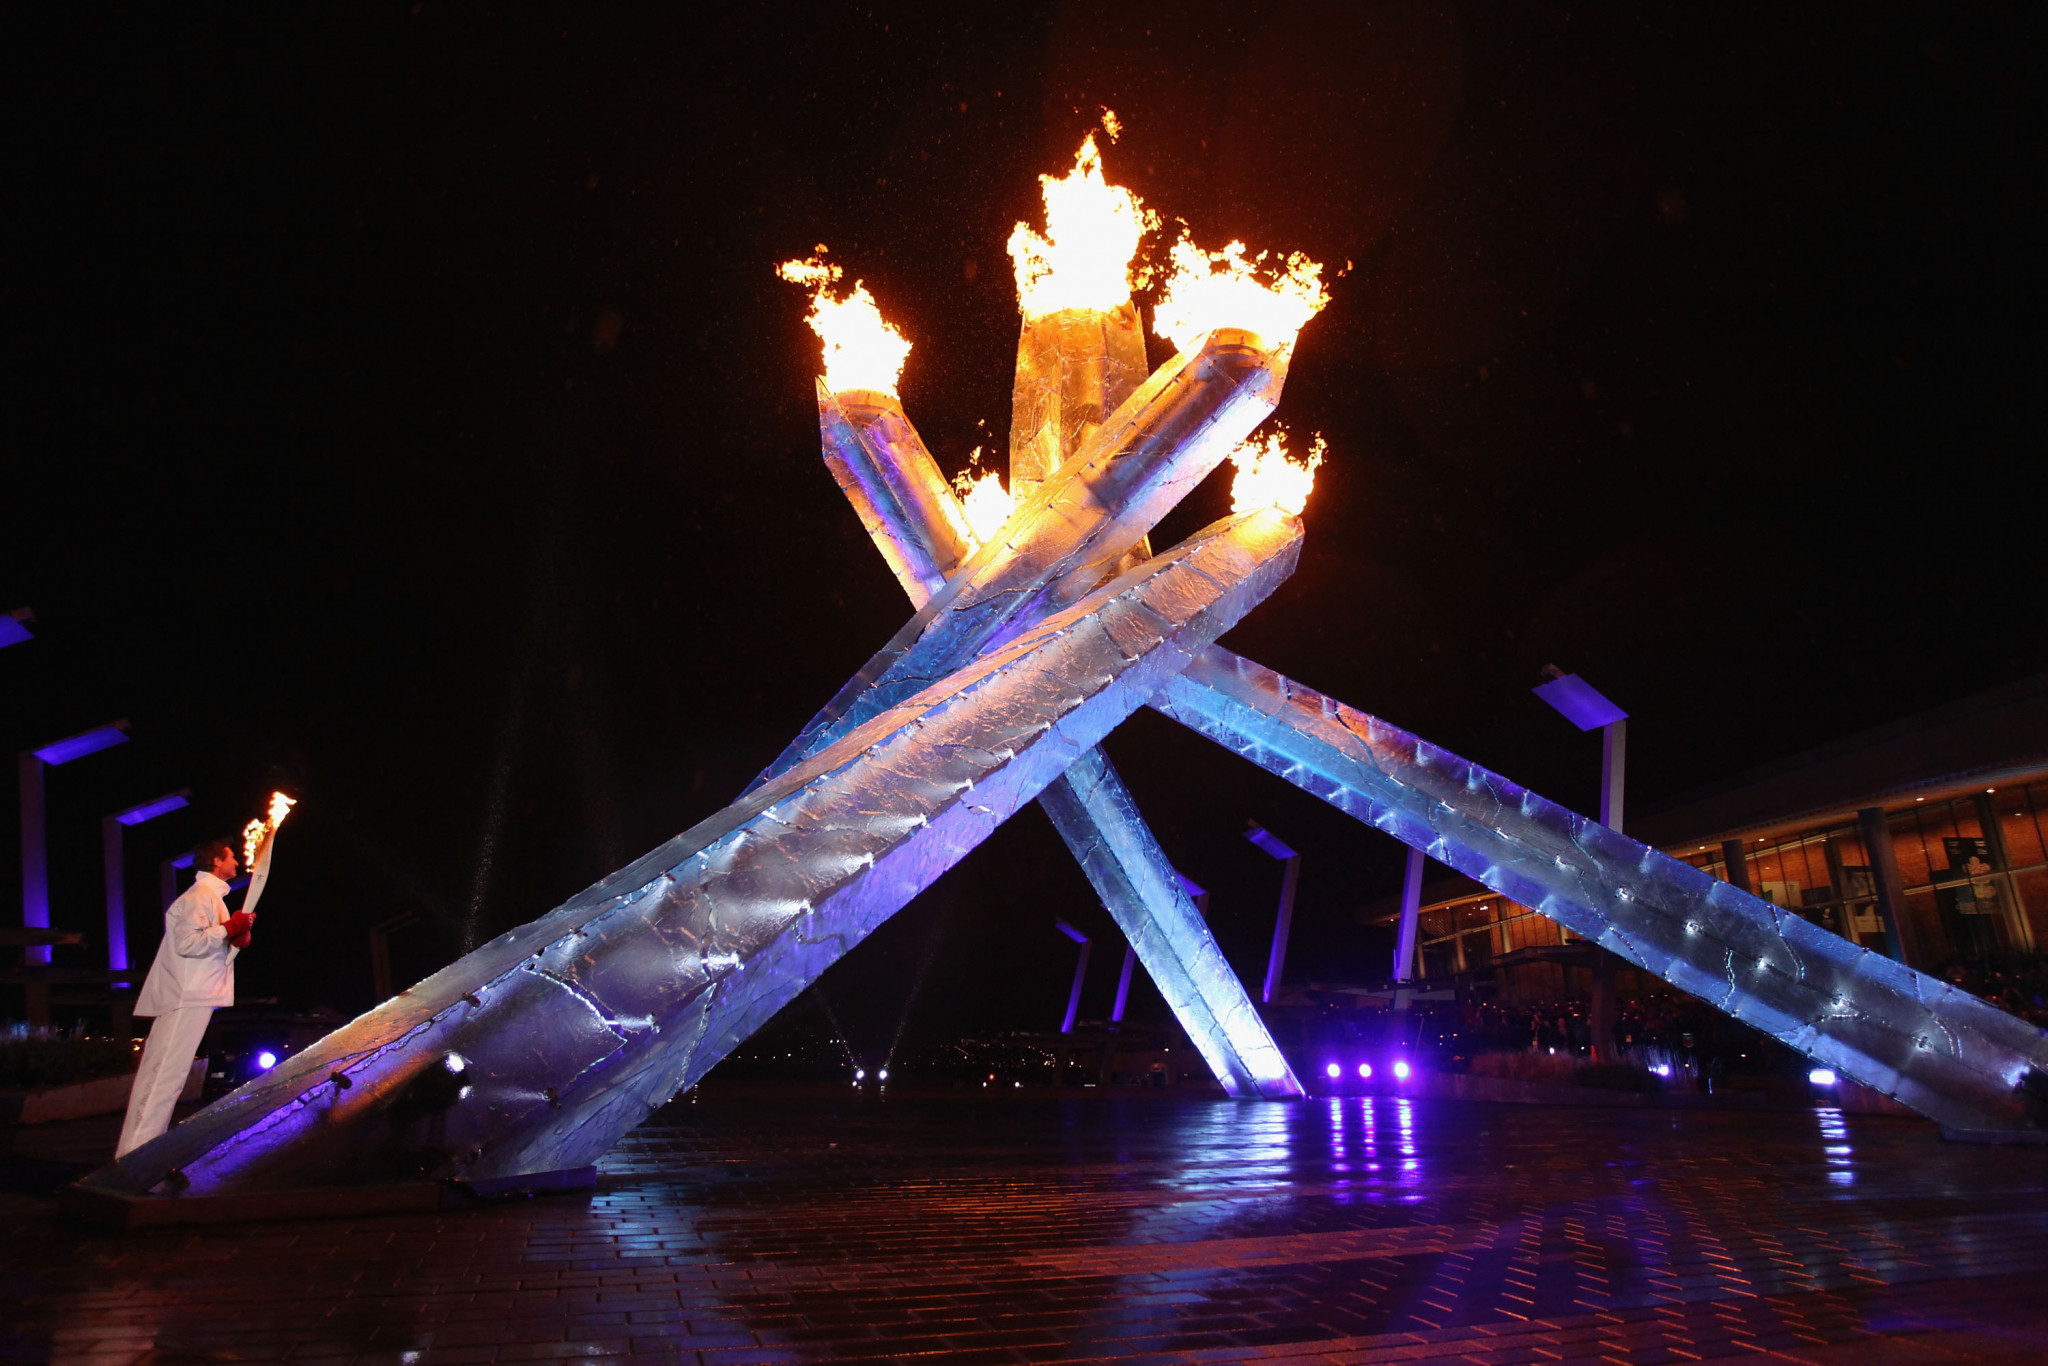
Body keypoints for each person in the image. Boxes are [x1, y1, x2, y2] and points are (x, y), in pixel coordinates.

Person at [115, 837, 256, 1158]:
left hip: (198, 993)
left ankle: (141, 1151)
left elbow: (207, 944)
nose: (236, 863)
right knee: (163, 1074)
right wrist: (227, 930)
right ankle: (133, 1154)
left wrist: (233, 939)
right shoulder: (199, 896)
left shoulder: (212, 897)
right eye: (231, 858)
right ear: (216, 862)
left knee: (172, 1076)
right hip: (185, 995)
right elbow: (188, 944)